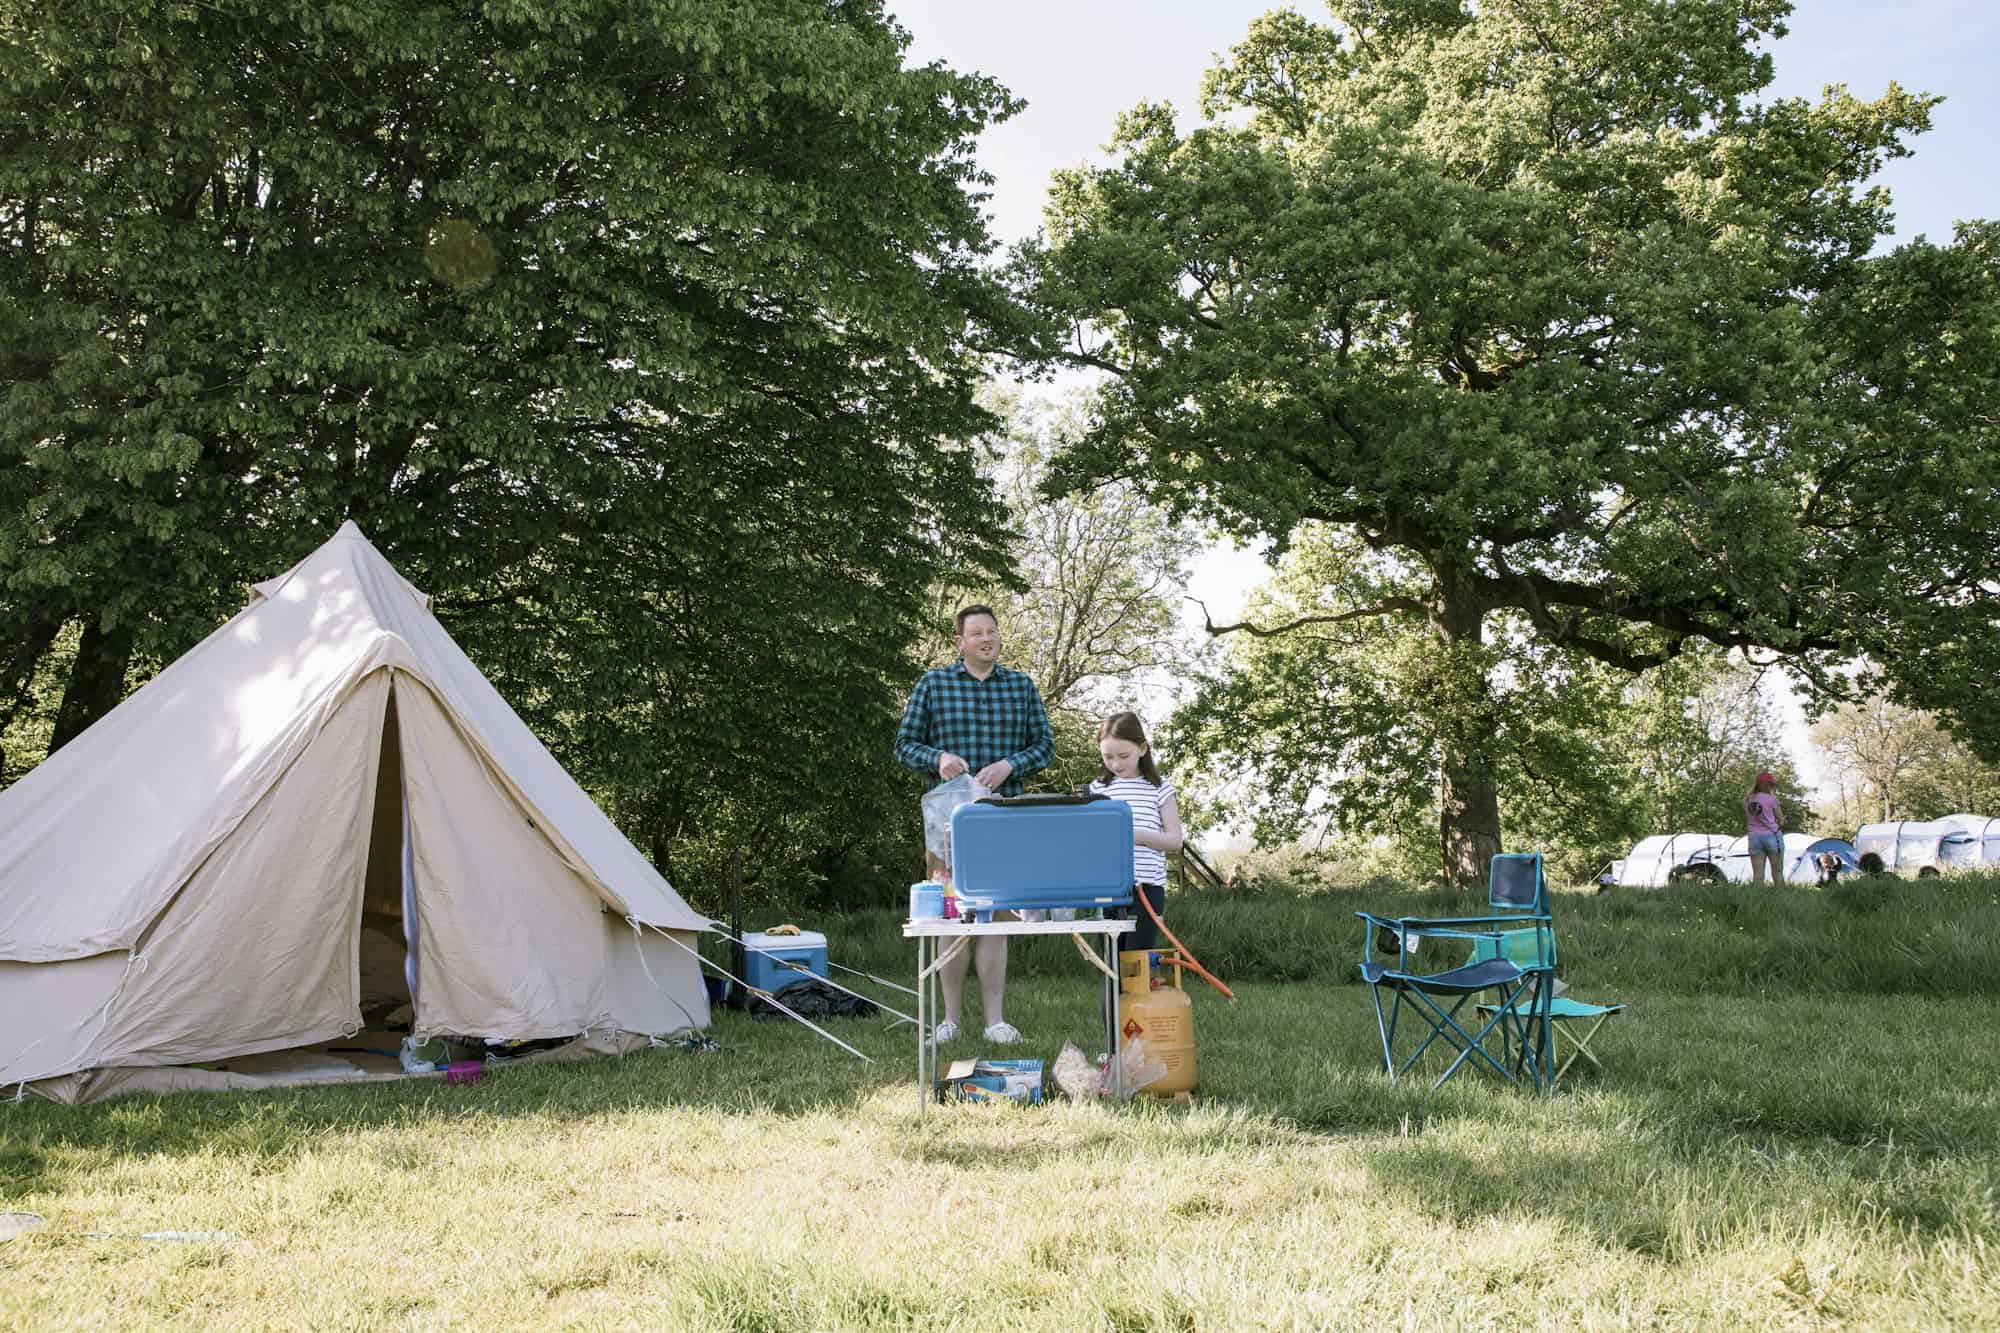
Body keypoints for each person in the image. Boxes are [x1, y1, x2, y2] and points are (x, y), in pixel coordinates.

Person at [893, 604, 1054, 1044]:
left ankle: (995, 1022)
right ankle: (949, 1021)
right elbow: (904, 745)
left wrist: (1011, 764)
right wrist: (938, 758)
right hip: (947, 824)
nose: (986, 639)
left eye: (992, 631)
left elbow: (1045, 746)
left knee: (997, 916)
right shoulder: (933, 684)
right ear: (960, 642)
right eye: (977, 633)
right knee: (951, 917)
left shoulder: (1021, 686)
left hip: (1005, 819)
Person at [1090, 711, 1183, 953]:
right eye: (1108, 757)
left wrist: (1137, 836)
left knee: (1137, 959)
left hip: (1147, 887)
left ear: (1142, 749)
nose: (1116, 764)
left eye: (1123, 756)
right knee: (1110, 960)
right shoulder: (1097, 789)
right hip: (1107, 886)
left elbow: (1175, 840)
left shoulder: (1160, 788)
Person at [1744, 771, 1785, 884]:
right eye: (1771, 784)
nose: (1772, 787)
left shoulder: (1747, 800)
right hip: (1772, 836)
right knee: (1777, 872)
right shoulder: (1771, 799)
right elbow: (1781, 819)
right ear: (1764, 784)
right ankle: (1781, 893)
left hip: (1754, 837)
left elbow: (1750, 817)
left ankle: (1757, 894)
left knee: (1757, 875)